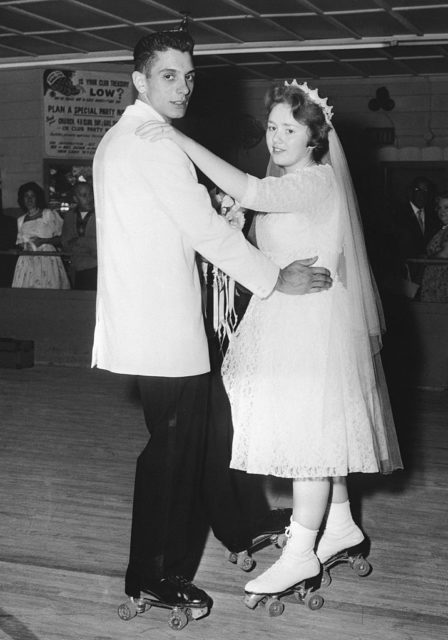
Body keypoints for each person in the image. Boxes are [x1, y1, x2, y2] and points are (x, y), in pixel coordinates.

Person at [92, 27, 332, 613]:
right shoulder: (153, 142)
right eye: (169, 75)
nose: (183, 87)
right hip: (161, 326)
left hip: (155, 320)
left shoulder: (122, 138)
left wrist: (221, 220)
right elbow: (200, 232)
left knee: (209, 431)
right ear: (139, 80)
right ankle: (152, 573)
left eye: (189, 76)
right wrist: (277, 278)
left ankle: (238, 521)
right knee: (172, 453)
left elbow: (177, 228)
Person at [137, 79, 403, 598]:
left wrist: (179, 140)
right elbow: (266, 218)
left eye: (289, 129)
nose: (276, 138)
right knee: (322, 431)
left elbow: (255, 192)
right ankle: (342, 523)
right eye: (272, 128)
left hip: (308, 324)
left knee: (310, 440)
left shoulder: (316, 180)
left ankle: (300, 555)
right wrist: (240, 226)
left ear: (314, 139)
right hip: (287, 313)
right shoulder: (291, 181)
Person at [11, 182, 70, 289]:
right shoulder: (20, 220)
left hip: (46, 258)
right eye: (26, 196)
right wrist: (24, 245)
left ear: (37, 198)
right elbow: (19, 242)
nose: (29, 199)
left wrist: (43, 241)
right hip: (27, 261)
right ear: (22, 199)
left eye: (32, 196)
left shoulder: (48, 214)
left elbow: (60, 238)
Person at [61, 181, 97, 290]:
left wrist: (77, 241)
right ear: (75, 199)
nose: (89, 198)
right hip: (76, 270)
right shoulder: (69, 216)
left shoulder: (101, 215)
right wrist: (89, 245)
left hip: (97, 269)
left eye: (91, 194)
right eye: (84, 195)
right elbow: (66, 244)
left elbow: (99, 246)